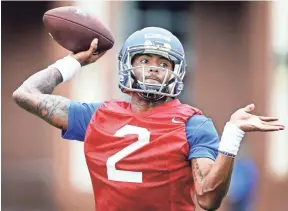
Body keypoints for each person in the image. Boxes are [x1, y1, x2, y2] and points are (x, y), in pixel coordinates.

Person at [12, 27, 284, 211]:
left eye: (163, 64)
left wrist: (233, 135)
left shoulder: (193, 124)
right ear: (128, 65)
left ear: (176, 72)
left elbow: (208, 199)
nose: (154, 69)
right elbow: (25, 94)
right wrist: (74, 62)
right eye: (145, 60)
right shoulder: (96, 115)